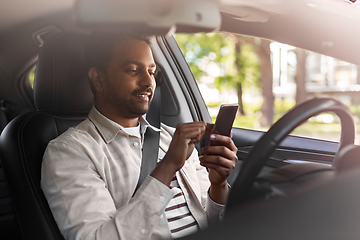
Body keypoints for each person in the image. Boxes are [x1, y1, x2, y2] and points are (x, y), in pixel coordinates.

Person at [41, 31, 238, 240]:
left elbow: (216, 223)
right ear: (99, 79)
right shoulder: (70, 152)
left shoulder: (172, 138)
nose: (148, 82)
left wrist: (218, 185)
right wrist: (168, 166)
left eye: (152, 72)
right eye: (133, 70)